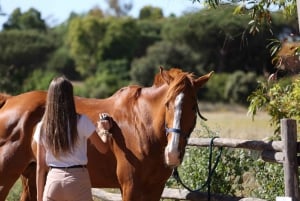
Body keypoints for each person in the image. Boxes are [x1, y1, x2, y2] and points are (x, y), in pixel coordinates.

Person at [33, 76, 113, 201]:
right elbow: (103, 148)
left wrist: (39, 198)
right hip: (77, 181)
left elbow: (40, 167)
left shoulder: (42, 126)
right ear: (70, 97)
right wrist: (104, 130)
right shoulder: (82, 121)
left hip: (53, 181)